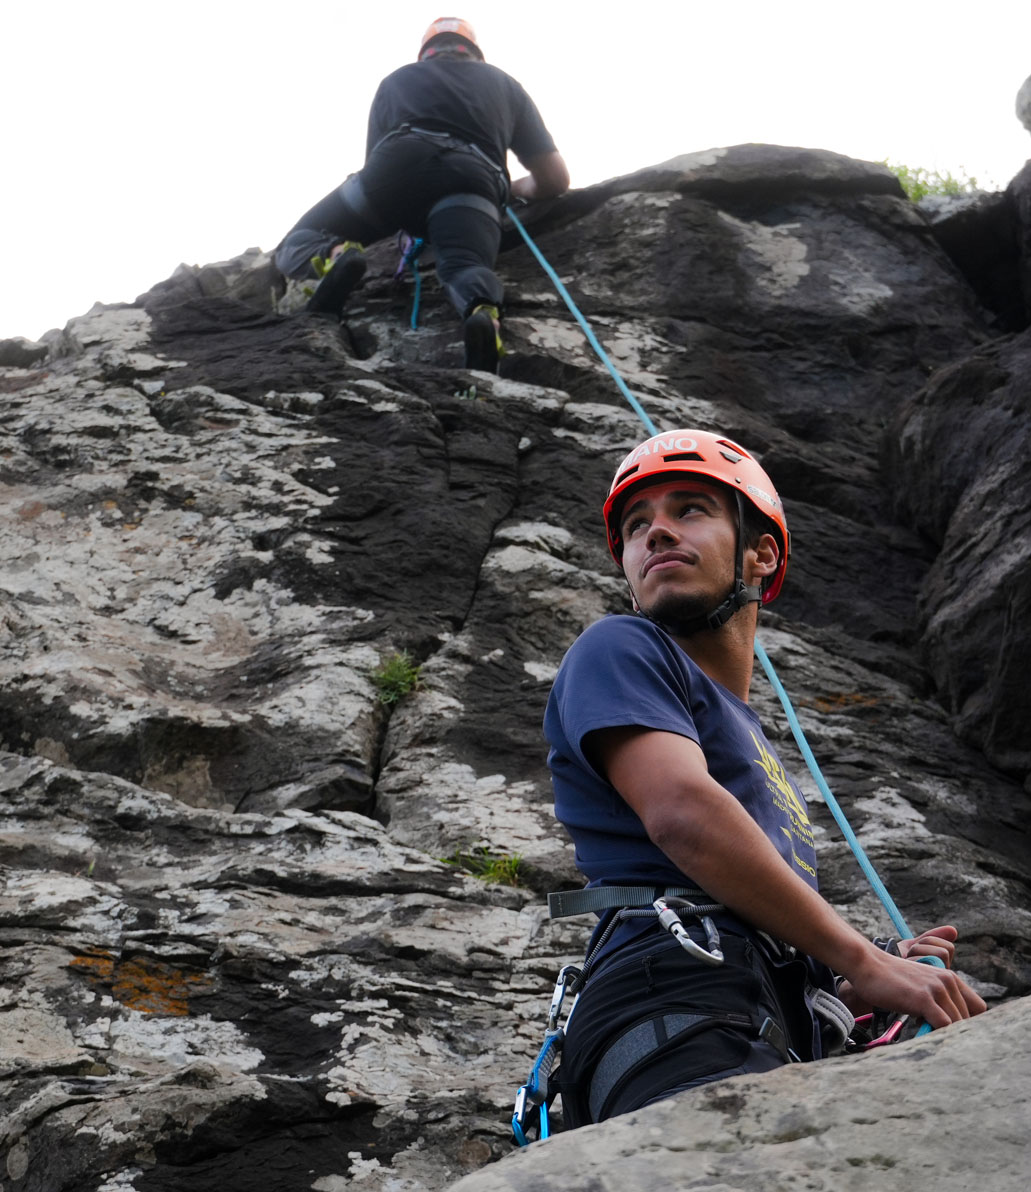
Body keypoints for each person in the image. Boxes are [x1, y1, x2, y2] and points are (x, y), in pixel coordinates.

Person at [543, 428, 987, 1127]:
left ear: (762, 552)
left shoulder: (750, 740)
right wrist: (860, 959)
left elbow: (746, 907)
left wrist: (849, 975)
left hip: (742, 1010)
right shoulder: (619, 648)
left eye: (689, 509)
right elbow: (681, 815)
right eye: (637, 526)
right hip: (671, 1001)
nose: (656, 533)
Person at [273, 17, 569, 371]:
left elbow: (375, 163)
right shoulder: (505, 86)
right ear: (476, 53)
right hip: (472, 181)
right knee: (464, 267)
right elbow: (555, 179)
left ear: (425, 52)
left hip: (396, 167)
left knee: (295, 243)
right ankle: (481, 313)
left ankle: (337, 254)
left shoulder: (397, 80)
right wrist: (512, 190)